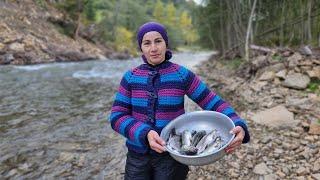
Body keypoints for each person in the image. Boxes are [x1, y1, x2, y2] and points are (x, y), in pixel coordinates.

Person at [109, 21, 250, 180]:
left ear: (166, 44)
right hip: (137, 157)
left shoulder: (181, 75)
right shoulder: (130, 77)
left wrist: (238, 123)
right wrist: (145, 133)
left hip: (172, 157)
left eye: (158, 41)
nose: (153, 48)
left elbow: (212, 101)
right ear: (141, 47)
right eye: (147, 43)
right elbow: (117, 116)